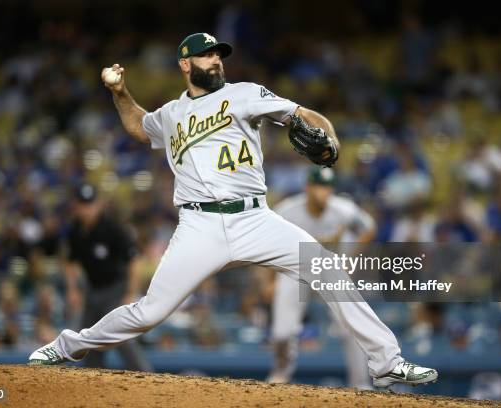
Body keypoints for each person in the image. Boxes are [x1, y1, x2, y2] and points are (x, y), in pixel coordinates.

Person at [29, 32, 438, 387]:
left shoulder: (245, 93)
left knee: (325, 267)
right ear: (185, 64)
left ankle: (386, 362)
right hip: (199, 225)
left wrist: (328, 133)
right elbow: (139, 125)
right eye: (208, 55)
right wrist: (120, 93)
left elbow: (299, 114)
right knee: (150, 311)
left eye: (219, 54)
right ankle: (69, 345)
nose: (217, 59)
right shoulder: (172, 114)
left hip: (254, 218)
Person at [267, 167, 375, 389]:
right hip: (296, 272)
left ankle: (362, 385)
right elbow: (265, 239)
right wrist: (268, 278)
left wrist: (351, 256)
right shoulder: (288, 211)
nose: (323, 191)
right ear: (307, 187)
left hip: (331, 271)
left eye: (327, 186)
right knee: (282, 332)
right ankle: (281, 373)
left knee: (351, 328)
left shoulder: (343, 209)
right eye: (318, 186)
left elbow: (369, 228)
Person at [61, 183, 152, 371]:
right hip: (92, 291)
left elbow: (134, 261)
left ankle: (146, 378)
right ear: (76, 206)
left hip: (115, 290)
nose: (87, 209)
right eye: (83, 205)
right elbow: (70, 261)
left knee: (121, 336)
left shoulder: (112, 228)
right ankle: (94, 384)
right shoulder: (75, 231)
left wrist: (130, 293)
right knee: (89, 340)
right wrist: (72, 289)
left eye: (90, 204)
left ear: (98, 204)